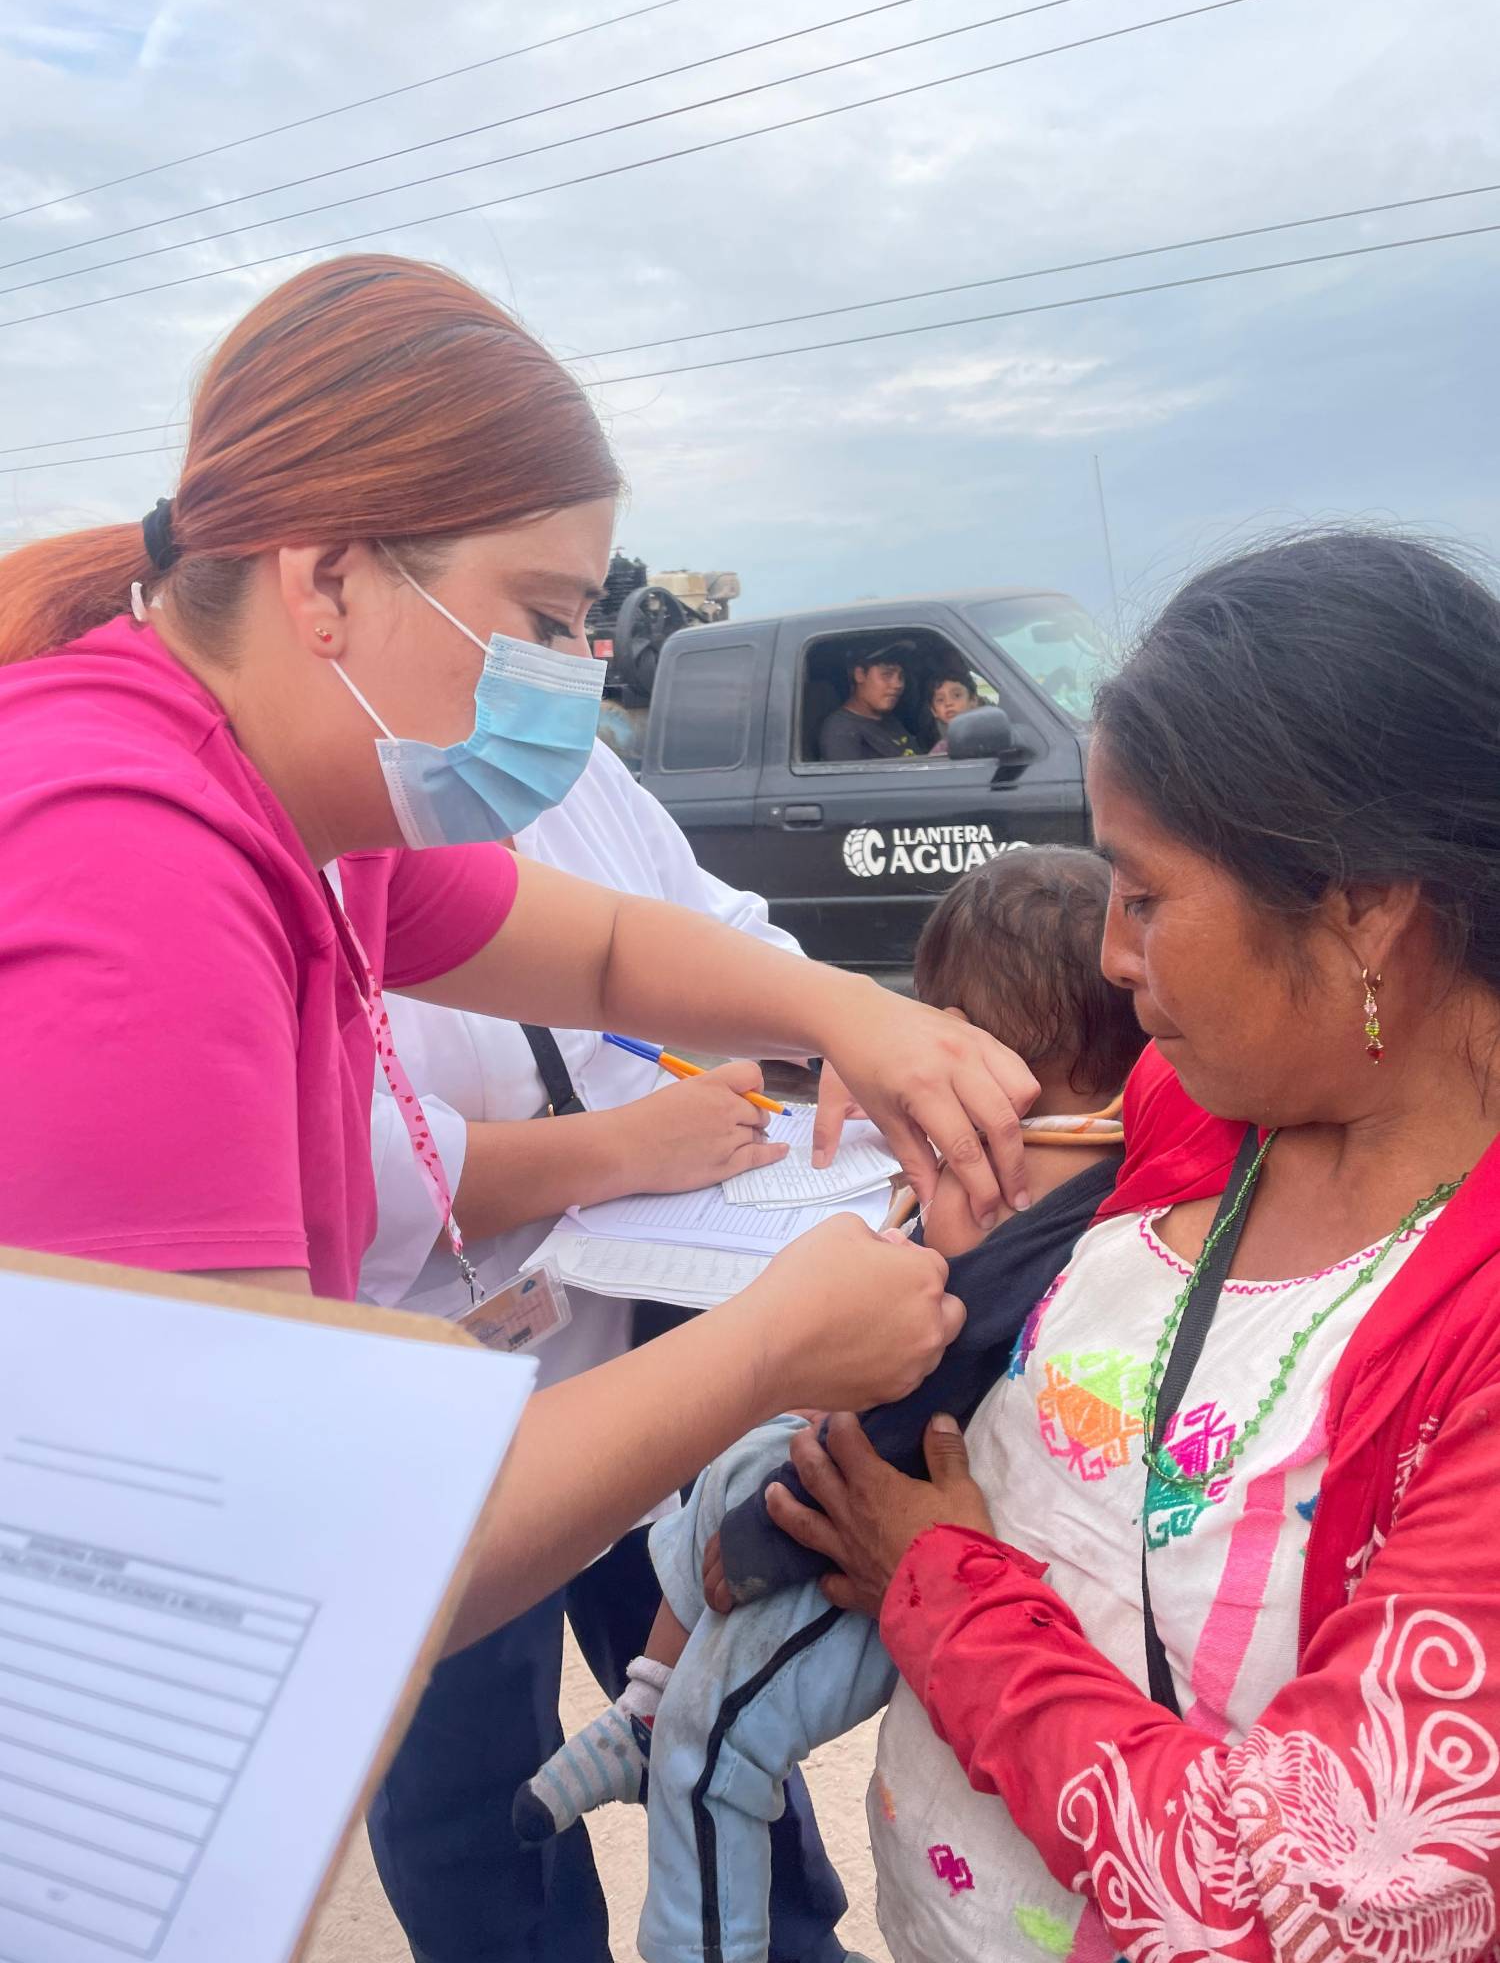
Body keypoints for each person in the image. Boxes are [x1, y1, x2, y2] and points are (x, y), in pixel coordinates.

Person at [0, 251, 1046, 1665]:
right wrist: (761, 1354)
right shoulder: (126, 854)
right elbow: (285, 1550)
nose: (578, 666)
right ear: (326, 580)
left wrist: (857, 1017)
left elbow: (608, 949)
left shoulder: (315, 807)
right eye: (544, 617)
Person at [762, 531, 1500, 1963]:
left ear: (1364, 910)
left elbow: (1281, 1897)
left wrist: (941, 1588)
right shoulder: (1206, 1098)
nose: (1112, 955)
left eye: (1147, 896)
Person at [515, 848, 1147, 1963]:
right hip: (880, 1476)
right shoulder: (1068, 1144)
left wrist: (759, 1531)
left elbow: (928, 1379)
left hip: (884, 1517)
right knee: (711, 1470)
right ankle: (647, 1698)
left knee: (719, 1745)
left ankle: (695, 1918)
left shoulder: (1044, 1194)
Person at [358, 736, 847, 1963]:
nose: (572, 662)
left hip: (650, 1321)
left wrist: (828, 1023)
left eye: (584, 614)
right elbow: (331, 1161)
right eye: (540, 609)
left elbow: (698, 927)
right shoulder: (301, 823)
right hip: (428, 1382)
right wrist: (625, 1148)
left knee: (719, 1688)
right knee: (468, 1775)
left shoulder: (564, 764)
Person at [817, 640, 919, 760]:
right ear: (860, 675)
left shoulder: (888, 719)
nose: (898, 684)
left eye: (901, 677)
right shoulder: (841, 733)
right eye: (887, 674)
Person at [926, 666, 981, 754]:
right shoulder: (940, 750)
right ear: (934, 711)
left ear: (973, 700)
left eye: (956, 695)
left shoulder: (986, 737)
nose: (948, 703)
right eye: (940, 700)